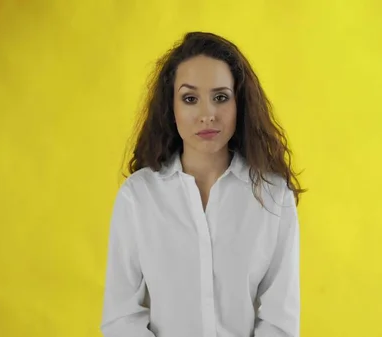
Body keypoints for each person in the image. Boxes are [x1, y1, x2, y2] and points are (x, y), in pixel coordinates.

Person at [100, 31, 304, 337]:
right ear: (172, 108)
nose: (207, 115)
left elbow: (280, 320)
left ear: (239, 104)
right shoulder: (138, 197)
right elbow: (120, 316)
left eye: (220, 97)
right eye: (190, 98)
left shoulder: (272, 195)